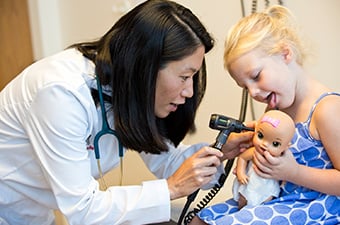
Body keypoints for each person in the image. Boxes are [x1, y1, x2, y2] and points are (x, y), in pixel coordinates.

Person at [0, 1, 254, 224]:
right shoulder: (60, 93)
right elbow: (84, 210)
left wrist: (219, 153)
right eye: (184, 77)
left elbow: (167, 162)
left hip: (31, 211)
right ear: (147, 67)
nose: (189, 91)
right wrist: (170, 189)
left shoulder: (131, 92)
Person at [191, 4, 340, 225]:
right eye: (245, 87)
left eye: (256, 76)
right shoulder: (275, 108)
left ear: (285, 53)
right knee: (200, 220)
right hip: (277, 199)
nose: (253, 92)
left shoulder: (327, 108)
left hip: (314, 206)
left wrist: (294, 172)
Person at [232, 110, 295, 209]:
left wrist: (285, 178)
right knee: (244, 199)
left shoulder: (281, 159)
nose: (265, 144)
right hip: (251, 182)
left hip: (268, 186)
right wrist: (241, 173)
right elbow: (242, 158)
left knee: (266, 202)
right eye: (260, 136)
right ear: (255, 131)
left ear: (286, 147)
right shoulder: (254, 152)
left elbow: (286, 173)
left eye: (275, 144)